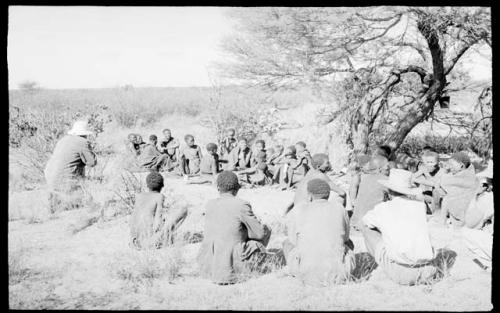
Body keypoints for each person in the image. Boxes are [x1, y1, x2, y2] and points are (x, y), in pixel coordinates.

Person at [361, 169, 439, 285]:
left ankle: (381, 264)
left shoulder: (383, 208)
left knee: (366, 228)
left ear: (388, 190)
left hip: (402, 274)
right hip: (429, 270)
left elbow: (366, 221)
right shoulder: (419, 205)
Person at [197, 171, 273, 284]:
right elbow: (260, 234)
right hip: (230, 268)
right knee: (265, 230)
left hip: (208, 264)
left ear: (218, 187)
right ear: (237, 188)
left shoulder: (210, 204)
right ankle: (249, 267)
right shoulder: (241, 205)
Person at [283, 178, 355, 286]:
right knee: (349, 244)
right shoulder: (340, 208)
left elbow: (293, 240)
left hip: (306, 274)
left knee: (287, 243)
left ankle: (293, 270)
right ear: (328, 194)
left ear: (309, 195)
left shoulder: (299, 209)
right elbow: (345, 238)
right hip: (340, 275)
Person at [44, 120, 97, 213]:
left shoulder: (63, 140)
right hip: (67, 181)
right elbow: (92, 162)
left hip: (50, 177)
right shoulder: (83, 142)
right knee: (84, 205)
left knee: (56, 206)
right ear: (85, 133)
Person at [129, 171, 188, 249]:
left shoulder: (139, 196)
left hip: (134, 241)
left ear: (147, 185)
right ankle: (168, 238)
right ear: (162, 185)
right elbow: (157, 223)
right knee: (183, 210)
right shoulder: (159, 197)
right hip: (148, 242)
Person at [437, 152, 479, 227]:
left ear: (461, 165)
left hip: (464, 209)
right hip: (467, 208)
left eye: (452, 165)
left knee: (446, 199)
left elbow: (443, 181)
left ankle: (442, 222)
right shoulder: (468, 172)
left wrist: (444, 171)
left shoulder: (464, 176)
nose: (450, 167)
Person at [349, 155, 389, 229]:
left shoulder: (364, 178)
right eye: (387, 167)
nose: (388, 169)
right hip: (369, 224)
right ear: (379, 168)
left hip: (356, 221)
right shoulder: (385, 181)